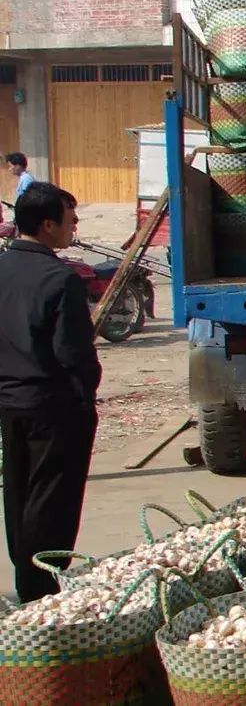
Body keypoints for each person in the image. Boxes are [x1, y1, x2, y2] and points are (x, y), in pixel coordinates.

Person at [0, 182, 100, 602]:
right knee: (51, 499)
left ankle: (26, 579)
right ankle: (42, 588)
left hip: (9, 401)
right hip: (53, 406)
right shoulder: (61, 279)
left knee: (19, 491)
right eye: (69, 218)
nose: (74, 225)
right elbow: (73, 353)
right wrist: (86, 397)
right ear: (46, 225)